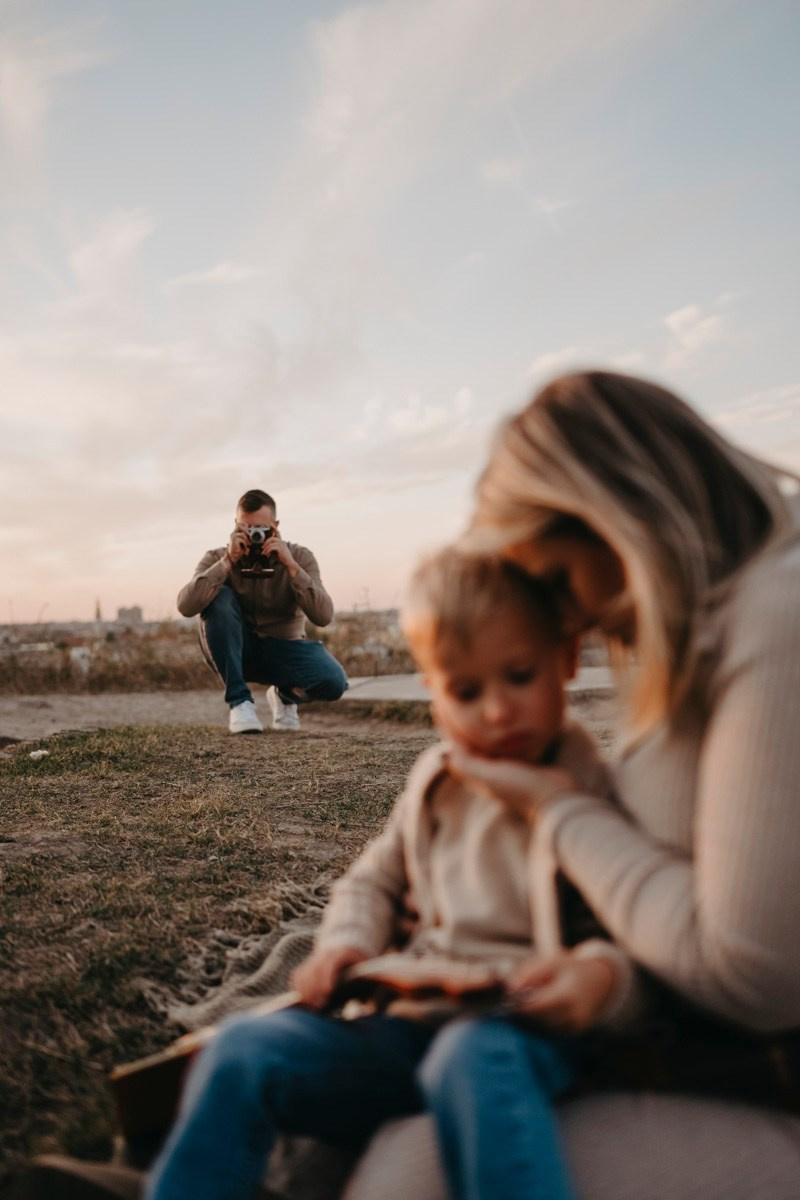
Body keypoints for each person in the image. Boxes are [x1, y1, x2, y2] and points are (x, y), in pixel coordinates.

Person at [340, 370, 800, 1200]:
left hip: (761, 1074)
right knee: (409, 1143)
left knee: (407, 1176)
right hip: (684, 1048)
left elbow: (748, 976)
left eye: (556, 581)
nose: (572, 621)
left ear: (622, 510)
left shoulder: (779, 615)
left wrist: (556, 808)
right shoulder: (712, 625)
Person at [142, 547, 645, 1200]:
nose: (496, 711)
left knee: (471, 1058)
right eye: (467, 692)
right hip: (416, 1022)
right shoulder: (437, 780)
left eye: (519, 677)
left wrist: (600, 978)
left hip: (524, 1031)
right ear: (436, 697)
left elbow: (635, 933)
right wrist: (346, 943)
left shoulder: (591, 791)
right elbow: (373, 881)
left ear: (566, 661)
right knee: (243, 1048)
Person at [177, 489, 347, 734]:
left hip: (283, 651)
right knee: (219, 596)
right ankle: (240, 703)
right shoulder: (216, 557)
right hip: (235, 651)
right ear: (235, 525)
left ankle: (284, 695)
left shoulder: (299, 557)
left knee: (334, 681)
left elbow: (324, 616)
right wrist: (226, 562)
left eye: (262, 529)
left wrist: (291, 567)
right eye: (247, 528)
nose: (254, 536)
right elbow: (185, 606)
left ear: (275, 526)